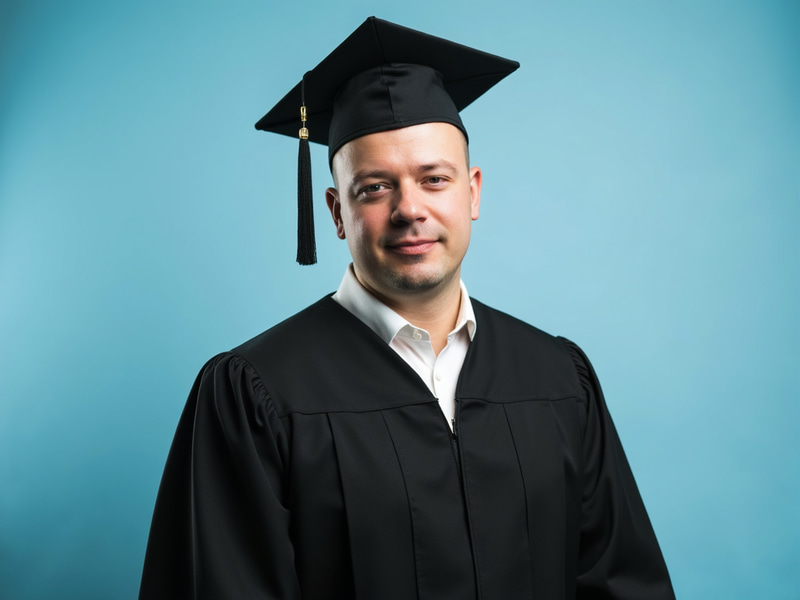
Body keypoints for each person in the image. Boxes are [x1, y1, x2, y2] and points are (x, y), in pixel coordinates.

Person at [139, 17, 675, 600]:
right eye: (374, 187)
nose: (409, 209)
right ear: (337, 212)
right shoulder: (256, 395)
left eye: (434, 179)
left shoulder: (557, 377)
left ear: (472, 192)